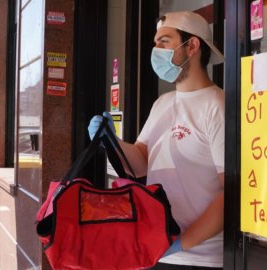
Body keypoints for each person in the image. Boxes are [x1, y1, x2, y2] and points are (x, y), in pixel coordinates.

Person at [89, 11, 225, 269]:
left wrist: (182, 242)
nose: (155, 50)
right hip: (154, 250)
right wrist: (111, 140)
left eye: (164, 41)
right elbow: (140, 162)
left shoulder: (217, 106)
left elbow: (232, 193)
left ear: (192, 46)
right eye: (155, 43)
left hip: (199, 258)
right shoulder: (162, 103)